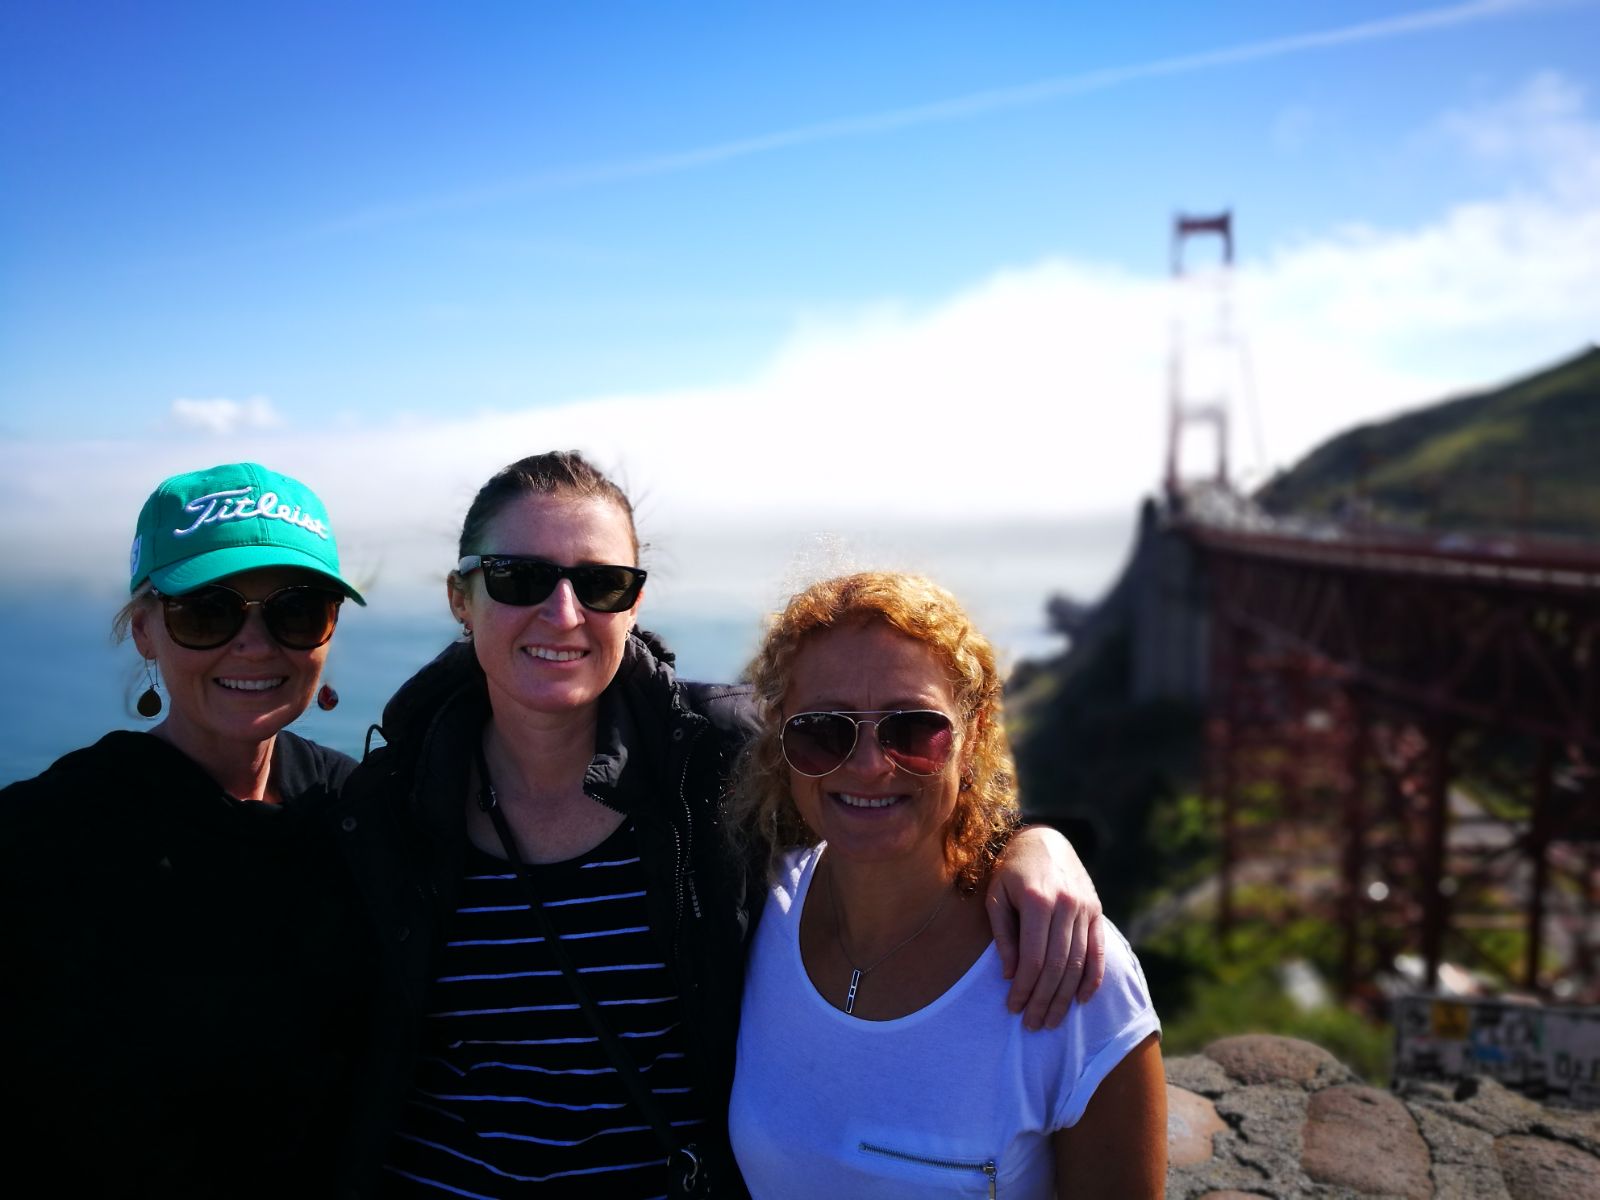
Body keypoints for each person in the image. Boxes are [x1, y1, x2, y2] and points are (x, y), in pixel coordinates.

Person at [333, 452, 1108, 1198]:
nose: (563, 612)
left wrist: (1034, 845)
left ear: (633, 605)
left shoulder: (712, 755)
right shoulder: (391, 796)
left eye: (601, 583)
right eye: (518, 577)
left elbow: (890, 794)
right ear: (460, 598)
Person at [727, 572, 1167, 1198]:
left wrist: (1041, 839)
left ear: (974, 733)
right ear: (779, 739)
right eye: (824, 730)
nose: (870, 765)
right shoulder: (752, 911)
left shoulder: (1068, 969)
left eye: (912, 730)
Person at [0, 462, 372, 1197]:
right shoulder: (40, 844)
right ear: (144, 630)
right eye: (207, 612)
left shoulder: (363, 812)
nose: (255, 645)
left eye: (297, 611)